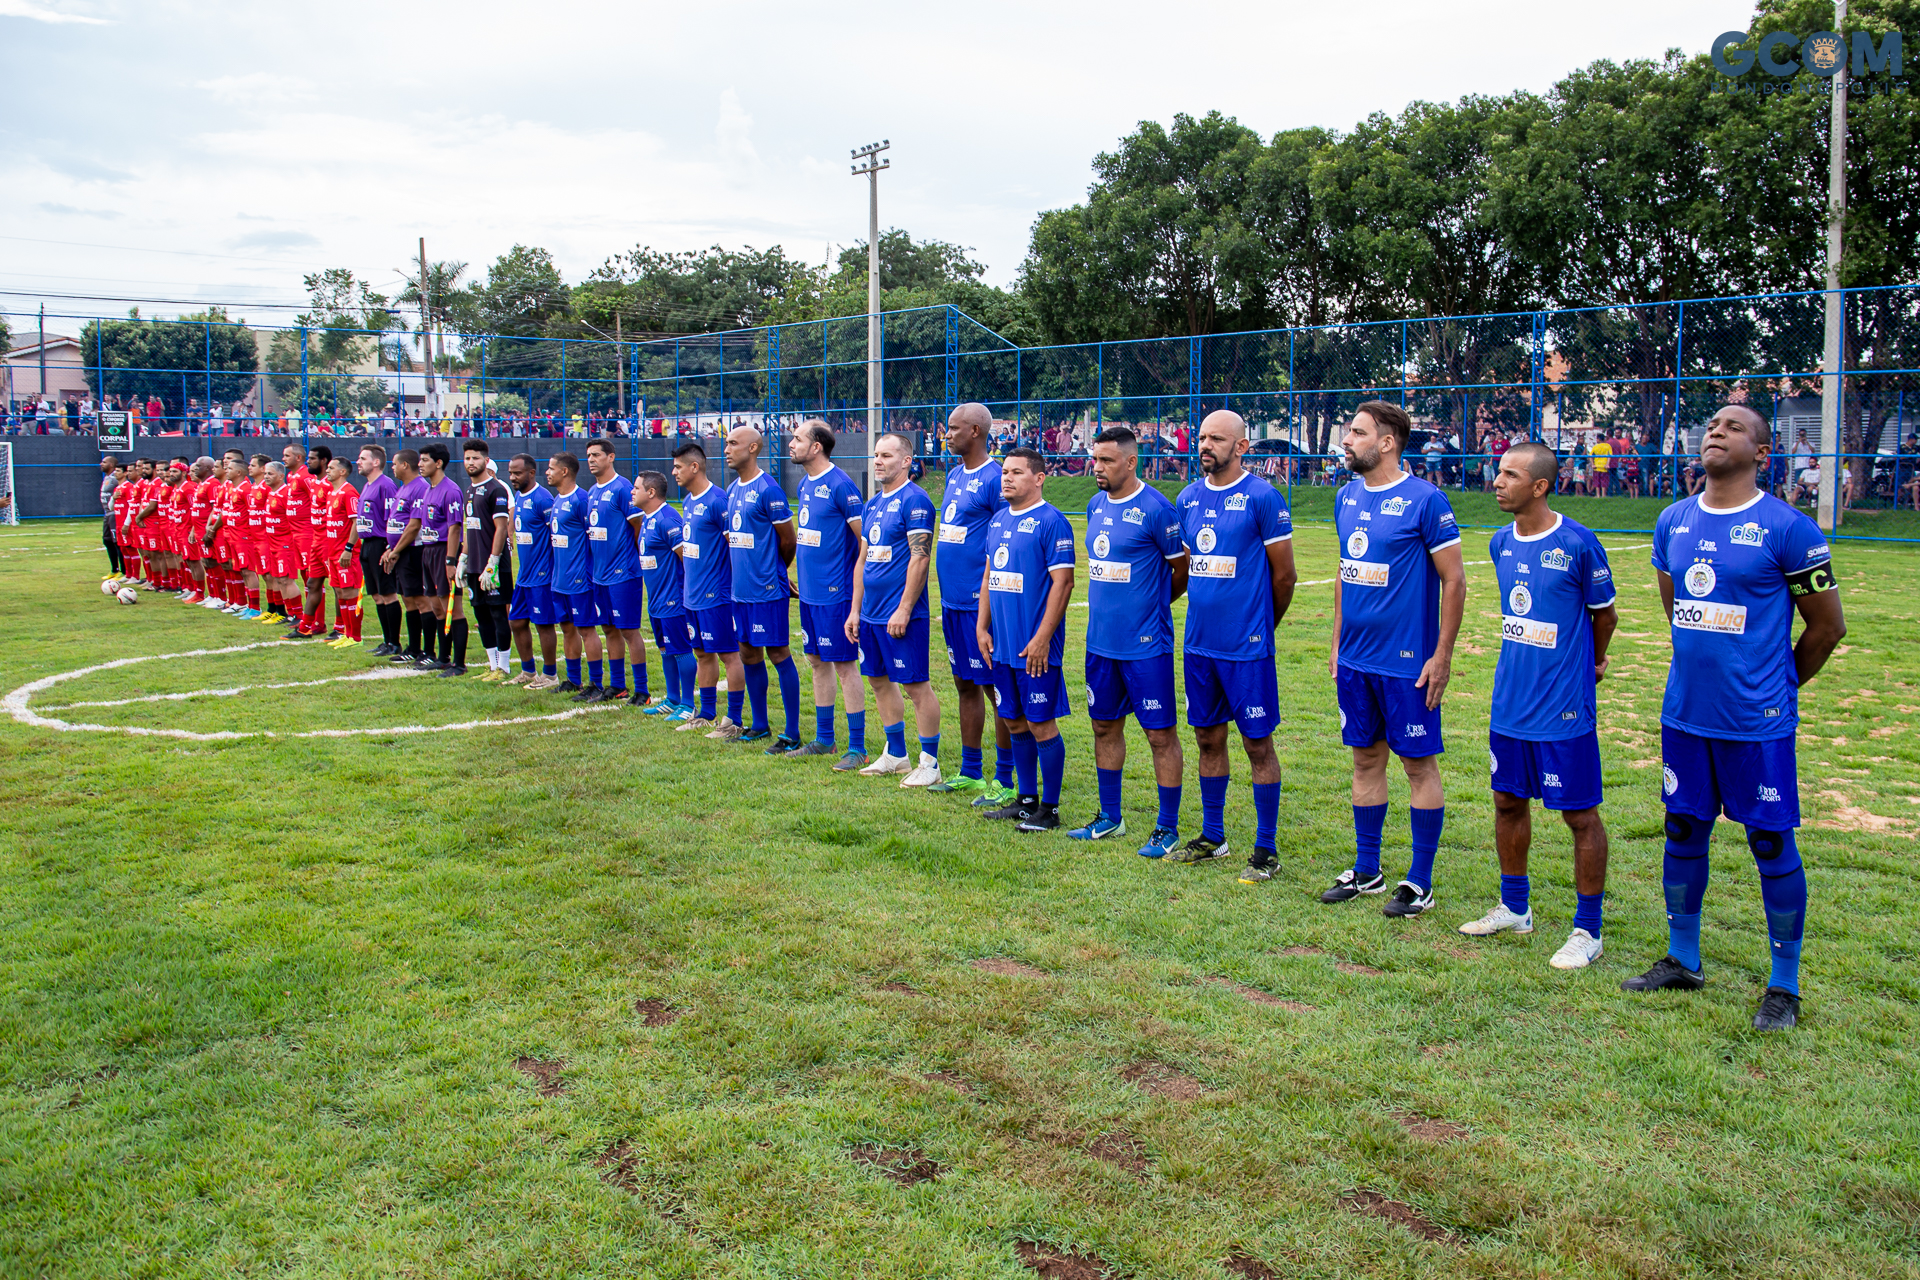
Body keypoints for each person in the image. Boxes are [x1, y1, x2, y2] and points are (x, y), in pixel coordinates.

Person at [1625, 404, 1846, 1032]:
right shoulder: (1673, 521)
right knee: (1683, 831)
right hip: (1686, 714)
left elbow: (1828, 628)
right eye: (1713, 424)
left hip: (1757, 722)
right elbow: (1679, 611)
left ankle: (1785, 984)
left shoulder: (1790, 528)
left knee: (1770, 839)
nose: (1717, 431)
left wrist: (1776, 685)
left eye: (1735, 426)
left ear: (1762, 453)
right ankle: (1684, 960)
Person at [1457, 442, 1618, 968]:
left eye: (1510, 474)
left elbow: (1605, 617)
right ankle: (1515, 907)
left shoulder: (1578, 543)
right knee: (1507, 802)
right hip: (1510, 704)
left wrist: (1589, 665)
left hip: (1563, 708)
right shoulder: (1501, 543)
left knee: (1578, 815)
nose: (1497, 481)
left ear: (1540, 486)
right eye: (1498, 472)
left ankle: (1588, 931)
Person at [1323, 400, 1466, 917]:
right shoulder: (1345, 498)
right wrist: (1337, 642)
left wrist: (1441, 655)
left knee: (1417, 765)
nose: (1347, 440)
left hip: (1407, 663)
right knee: (1364, 758)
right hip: (1357, 661)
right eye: (1348, 431)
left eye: (1357, 433)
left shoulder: (1426, 501)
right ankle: (1367, 870)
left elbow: (1454, 579)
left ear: (1386, 442)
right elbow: (1345, 571)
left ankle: (1420, 882)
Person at [1166, 411, 1298, 874]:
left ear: (1241, 447)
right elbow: (1184, 569)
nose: (1205, 445)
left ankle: (1265, 849)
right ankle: (1213, 836)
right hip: (1200, 643)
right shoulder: (1186, 498)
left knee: (1258, 745)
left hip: (1246, 647)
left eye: (1216, 439)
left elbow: (1285, 576)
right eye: (1201, 437)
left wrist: (1263, 626)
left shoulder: (1263, 497)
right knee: (1207, 738)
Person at [1072, 426, 1190, 858]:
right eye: (1094, 459)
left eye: (1105, 460)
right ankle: (1110, 817)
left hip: (1145, 646)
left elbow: (1182, 569)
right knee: (1104, 726)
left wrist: (1152, 605)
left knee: (1160, 736)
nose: (1096, 468)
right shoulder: (1094, 504)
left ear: (1130, 461)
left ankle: (1167, 826)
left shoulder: (1158, 509)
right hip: (1100, 643)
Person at [974, 446, 1076, 828]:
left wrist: (1042, 638)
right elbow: (988, 577)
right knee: (1013, 720)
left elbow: (1062, 583)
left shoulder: (1052, 522)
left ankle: (1049, 810)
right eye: (1004, 472)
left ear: (1039, 478)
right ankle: (1025, 799)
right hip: (1002, 645)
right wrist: (982, 626)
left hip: (1034, 647)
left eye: (1016, 472)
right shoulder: (998, 520)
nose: (1007, 478)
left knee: (1040, 723)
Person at [844, 431, 942, 783]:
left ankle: (929, 762)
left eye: (886, 455)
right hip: (869, 615)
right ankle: (896, 754)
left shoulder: (916, 501)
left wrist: (903, 608)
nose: (878, 461)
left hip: (901, 616)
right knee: (878, 681)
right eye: (876, 455)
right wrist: (855, 610)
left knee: (916, 686)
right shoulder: (871, 505)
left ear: (906, 461)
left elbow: (920, 557)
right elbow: (863, 561)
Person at [929, 402, 1015, 803]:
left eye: (953, 428)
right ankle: (970, 771)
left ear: (976, 431)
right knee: (964, 683)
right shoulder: (953, 474)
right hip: (951, 603)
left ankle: (1005, 778)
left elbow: (1003, 540)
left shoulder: (997, 478)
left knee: (994, 688)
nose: (947, 434)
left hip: (981, 604)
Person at [782, 419, 869, 767]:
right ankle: (824, 739)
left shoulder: (841, 485)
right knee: (816, 662)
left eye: (798, 438)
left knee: (845, 666)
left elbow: (865, 538)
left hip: (837, 594)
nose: (791, 443)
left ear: (816, 446)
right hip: (810, 594)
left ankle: (858, 748)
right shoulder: (805, 483)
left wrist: (855, 589)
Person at [723, 426, 801, 748]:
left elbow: (788, 539)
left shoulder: (768, 489)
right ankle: (759, 724)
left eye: (733, 443)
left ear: (753, 448)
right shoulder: (731, 490)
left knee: (778, 652)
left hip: (767, 590)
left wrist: (776, 571)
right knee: (747, 652)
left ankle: (792, 732)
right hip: (739, 590)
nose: (726, 448)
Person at [672, 440, 745, 736]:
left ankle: (734, 720)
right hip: (692, 595)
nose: (674, 472)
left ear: (694, 467)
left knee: (729, 655)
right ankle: (706, 713)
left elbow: (735, 547)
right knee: (702, 653)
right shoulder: (688, 501)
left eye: (678, 467)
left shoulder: (718, 500)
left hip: (717, 595)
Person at [582, 439, 648, 704]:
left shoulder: (622, 488)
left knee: (629, 631)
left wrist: (629, 560)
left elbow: (638, 528)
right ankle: (617, 685)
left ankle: (642, 690)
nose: (591, 459)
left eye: (597, 454)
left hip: (624, 574)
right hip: (600, 575)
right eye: (588, 455)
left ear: (611, 457)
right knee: (609, 629)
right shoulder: (591, 492)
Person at [634, 470, 697, 712]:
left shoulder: (667, 519)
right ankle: (672, 700)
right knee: (665, 649)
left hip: (673, 599)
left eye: (636, 488)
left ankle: (688, 704)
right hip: (656, 598)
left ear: (651, 492)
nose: (632, 491)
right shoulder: (647, 517)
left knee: (681, 650)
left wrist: (683, 593)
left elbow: (686, 559)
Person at [544, 452, 603, 695]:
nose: (547, 472)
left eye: (551, 468)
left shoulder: (582, 499)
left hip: (579, 579)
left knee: (586, 630)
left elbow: (593, 538)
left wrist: (587, 572)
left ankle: (596, 683)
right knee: (567, 629)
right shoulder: (557, 499)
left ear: (565, 471)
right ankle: (572, 680)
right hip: (559, 579)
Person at [461, 442, 517, 681]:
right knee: (481, 615)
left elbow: (501, 528)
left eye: (475, 458)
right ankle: (492, 666)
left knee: (497, 615)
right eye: (467, 458)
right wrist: (464, 557)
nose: (471, 462)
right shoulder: (469, 491)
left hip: (493, 567)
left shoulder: (496, 489)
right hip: (474, 565)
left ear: (486, 460)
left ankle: (504, 667)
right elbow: (469, 527)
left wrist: (492, 562)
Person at [505, 453, 560, 688]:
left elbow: (556, 534)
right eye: (510, 472)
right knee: (516, 621)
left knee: (543, 624)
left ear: (530, 473)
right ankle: (528, 671)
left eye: (517, 473)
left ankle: (549, 675)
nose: (512, 477)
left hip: (541, 575)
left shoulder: (543, 499)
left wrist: (551, 569)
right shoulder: (519, 495)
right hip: (524, 574)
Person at [380, 449, 433, 664]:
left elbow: (414, 525)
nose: (391, 467)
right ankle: (413, 647)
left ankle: (428, 651)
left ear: (404, 465)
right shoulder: (403, 488)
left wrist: (396, 550)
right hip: (401, 551)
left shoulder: (420, 487)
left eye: (394, 464)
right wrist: (389, 547)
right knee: (409, 600)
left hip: (414, 551)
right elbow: (397, 522)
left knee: (421, 601)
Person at [413, 443, 463, 670]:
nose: (420, 464)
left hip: (444, 551)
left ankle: (458, 663)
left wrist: (451, 560)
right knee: (436, 606)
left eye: (424, 460)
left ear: (439, 463)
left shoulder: (450, 490)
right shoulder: (428, 489)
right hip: (428, 550)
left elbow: (454, 528)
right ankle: (442, 658)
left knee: (451, 606)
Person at [355, 446, 403, 654]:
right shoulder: (367, 485)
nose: (358, 462)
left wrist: (390, 547)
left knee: (388, 594)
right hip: (367, 544)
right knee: (376, 595)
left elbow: (393, 517)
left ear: (375, 462)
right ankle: (386, 640)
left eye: (363, 458)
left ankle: (394, 642)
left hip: (380, 542)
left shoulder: (386, 485)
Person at [317, 455, 364, 647]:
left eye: (331, 468)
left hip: (346, 553)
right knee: (339, 592)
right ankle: (346, 633)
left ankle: (356, 637)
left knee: (350, 593)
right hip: (333, 552)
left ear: (342, 472)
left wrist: (349, 548)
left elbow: (356, 522)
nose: (327, 470)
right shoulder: (331, 493)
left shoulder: (349, 492)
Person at [99, 456, 123, 579]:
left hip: (114, 513)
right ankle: (114, 569)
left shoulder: (115, 478)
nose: (101, 464)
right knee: (107, 540)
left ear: (112, 465)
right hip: (107, 513)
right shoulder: (108, 477)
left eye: (104, 462)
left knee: (117, 542)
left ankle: (123, 571)